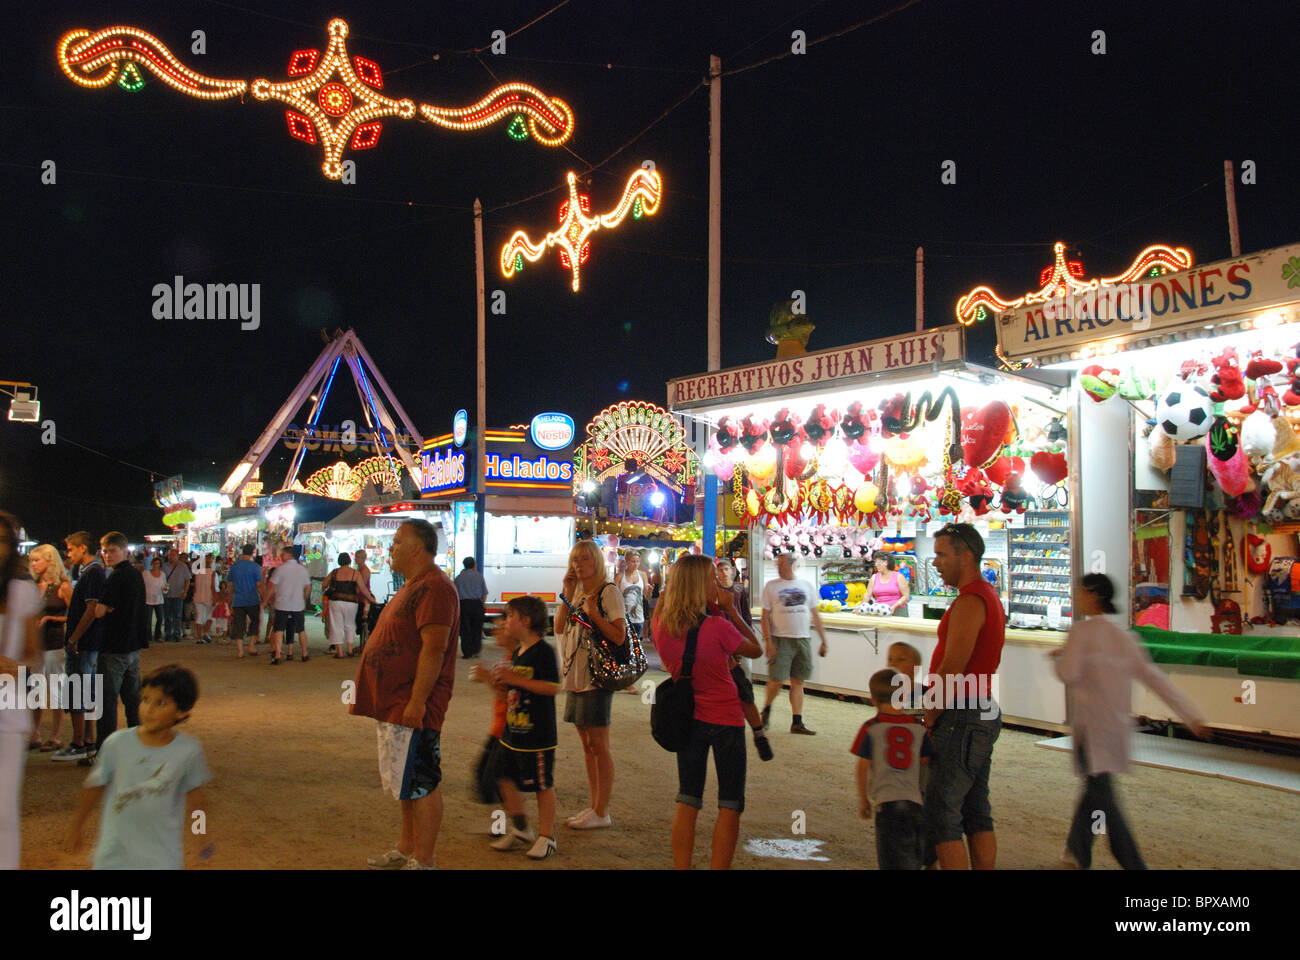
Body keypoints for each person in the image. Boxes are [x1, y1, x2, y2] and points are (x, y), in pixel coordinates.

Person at [1051, 573, 1209, 870]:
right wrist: (1191, 715)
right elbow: (1156, 679)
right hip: (1114, 732)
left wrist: (1060, 657)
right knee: (1097, 792)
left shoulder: (1081, 633)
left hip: (1090, 731)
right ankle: (1076, 852)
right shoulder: (1125, 638)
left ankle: (1127, 861)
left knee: (1104, 798)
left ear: (1093, 595)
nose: (1078, 596)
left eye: (1081, 591)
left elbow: (1068, 674)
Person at [351, 520, 459, 871]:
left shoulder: (436, 588)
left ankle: (424, 859)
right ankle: (406, 846)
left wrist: (417, 701)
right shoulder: (415, 585)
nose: (391, 547)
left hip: (414, 706)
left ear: (417, 548)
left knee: (422, 781)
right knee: (405, 780)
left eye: (398, 542)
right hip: (395, 703)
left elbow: (434, 650)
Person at [654, 554, 763, 869]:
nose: (719, 585)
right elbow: (754, 647)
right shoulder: (717, 626)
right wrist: (731, 610)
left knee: (688, 799)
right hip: (726, 718)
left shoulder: (662, 625)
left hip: (688, 718)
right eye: (713, 580)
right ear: (700, 586)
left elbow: (663, 601)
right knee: (730, 803)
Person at [66, 665, 210, 869]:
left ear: (181, 711)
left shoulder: (188, 751)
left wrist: (201, 837)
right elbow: (94, 787)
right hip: (114, 856)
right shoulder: (117, 743)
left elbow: (198, 803)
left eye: (161, 703)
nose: (149, 710)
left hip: (161, 858)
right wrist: (76, 827)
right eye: (145, 700)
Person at [925, 522, 1004, 871]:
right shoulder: (982, 596)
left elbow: (953, 666)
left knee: (942, 811)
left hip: (962, 713)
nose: (936, 562)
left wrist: (931, 712)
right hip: (978, 707)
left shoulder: (972, 600)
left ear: (966, 555)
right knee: (974, 809)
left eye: (942, 554)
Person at [555, 538, 627, 830]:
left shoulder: (608, 593)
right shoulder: (578, 592)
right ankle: (595, 805)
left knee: (599, 743)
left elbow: (619, 636)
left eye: (584, 559)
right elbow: (559, 627)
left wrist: (595, 615)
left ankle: (602, 809)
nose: (578, 565)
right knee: (586, 743)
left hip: (596, 676)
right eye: (575, 560)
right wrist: (567, 592)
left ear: (596, 561)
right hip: (576, 673)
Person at [483, 595, 560, 860]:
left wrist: (515, 679)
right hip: (512, 732)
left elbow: (552, 687)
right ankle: (521, 828)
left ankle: (547, 836)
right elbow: (511, 694)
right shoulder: (518, 652)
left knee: (541, 784)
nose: (505, 622)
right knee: (502, 776)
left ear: (525, 622)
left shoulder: (544, 652)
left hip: (538, 734)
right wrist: (497, 682)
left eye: (510, 616)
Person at [852, 669, 933, 869]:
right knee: (915, 854)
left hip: (887, 804)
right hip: (915, 802)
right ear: (904, 697)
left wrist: (863, 798)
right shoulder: (917, 726)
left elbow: (863, 765)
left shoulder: (871, 727)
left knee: (891, 859)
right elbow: (925, 760)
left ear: (872, 699)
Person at [0, 511, 42, 869]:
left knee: (3, 811)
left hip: (8, 713)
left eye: (1, 540)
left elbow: (34, 655)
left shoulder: (22, 591)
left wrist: (18, 667)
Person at [92, 531, 149, 759]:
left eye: (112, 550)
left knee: (107, 702)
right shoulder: (136, 576)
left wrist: (106, 608)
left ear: (124, 551)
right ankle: (140, 746)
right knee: (132, 700)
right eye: (105, 551)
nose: (107, 555)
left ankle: (105, 751)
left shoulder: (115, 577)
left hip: (114, 647)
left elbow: (98, 611)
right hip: (132, 647)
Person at [53, 533, 108, 765]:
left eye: (71, 549)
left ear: (83, 548)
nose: (68, 554)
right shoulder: (90, 572)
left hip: (85, 643)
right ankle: (87, 742)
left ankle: (78, 743)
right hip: (87, 643)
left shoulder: (93, 572)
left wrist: (74, 638)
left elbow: (91, 609)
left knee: (79, 692)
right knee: (85, 692)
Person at [760, 553, 828, 735]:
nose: (778, 567)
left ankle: (797, 720)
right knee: (777, 680)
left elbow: (815, 614)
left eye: (781, 564)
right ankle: (766, 709)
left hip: (802, 638)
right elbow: (764, 617)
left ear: (792, 565)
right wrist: (768, 641)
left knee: (798, 680)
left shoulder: (806, 585)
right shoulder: (771, 586)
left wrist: (823, 639)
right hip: (780, 638)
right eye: (777, 564)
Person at [716, 558, 772, 760]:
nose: (723, 573)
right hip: (724, 637)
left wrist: (746, 634)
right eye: (720, 569)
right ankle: (754, 726)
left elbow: (745, 614)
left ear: (732, 571)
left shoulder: (739, 590)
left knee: (743, 678)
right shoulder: (714, 592)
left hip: (737, 634)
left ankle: (753, 721)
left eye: (726, 569)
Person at [28, 544, 73, 751]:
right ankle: (34, 734)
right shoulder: (34, 585)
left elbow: (74, 616)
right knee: (34, 691)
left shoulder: (63, 586)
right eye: (31, 560)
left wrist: (51, 618)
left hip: (55, 644)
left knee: (55, 690)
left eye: (36, 560)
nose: (33, 564)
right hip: (36, 645)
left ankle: (55, 736)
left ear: (49, 560)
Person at [322, 552, 372, 658]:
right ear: (349, 560)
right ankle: (349, 649)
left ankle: (339, 652)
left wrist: (325, 591)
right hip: (351, 602)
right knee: (350, 624)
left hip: (336, 601)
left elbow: (324, 583)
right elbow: (362, 588)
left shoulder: (335, 572)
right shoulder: (355, 573)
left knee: (336, 625)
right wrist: (371, 599)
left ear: (339, 561)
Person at [267, 547, 311, 664]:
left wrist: (265, 600)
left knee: (279, 629)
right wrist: (304, 599)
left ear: (288, 555)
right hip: (298, 604)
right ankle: (304, 653)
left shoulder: (280, 570)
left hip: (282, 603)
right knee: (301, 629)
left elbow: (271, 587)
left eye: (283, 554)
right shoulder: (302, 570)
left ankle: (277, 655)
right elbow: (308, 587)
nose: (281, 556)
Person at [226, 544, 264, 659]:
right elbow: (259, 585)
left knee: (239, 624)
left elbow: (230, 585)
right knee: (254, 622)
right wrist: (263, 598)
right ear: (252, 552)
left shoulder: (234, 566)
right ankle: (251, 646)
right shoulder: (255, 567)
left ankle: (240, 650)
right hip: (252, 599)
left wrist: (229, 598)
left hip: (238, 600)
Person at [454, 557, 488, 659]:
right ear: (474, 565)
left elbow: (455, 594)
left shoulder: (459, 578)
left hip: (463, 605)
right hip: (477, 605)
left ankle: (467, 653)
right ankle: (476, 650)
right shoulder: (479, 577)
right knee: (477, 629)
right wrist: (482, 604)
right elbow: (484, 593)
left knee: (465, 630)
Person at [161, 548, 190, 643]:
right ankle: (168, 633)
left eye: (173, 555)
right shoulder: (164, 566)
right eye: (170, 555)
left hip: (178, 594)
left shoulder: (183, 566)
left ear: (177, 556)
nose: (171, 557)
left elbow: (187, 580)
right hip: (167, 594)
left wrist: (185, 591)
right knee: (167, 615)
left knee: (177, 615)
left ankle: (177, 633)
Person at [190, 554, 216, 644]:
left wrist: (194, 594)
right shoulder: (212, 573)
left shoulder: (198, 572)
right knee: (210, 615)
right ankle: (206, 633)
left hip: (198, 596)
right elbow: (212, 586)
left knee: (199, 617)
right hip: (208, 596)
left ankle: (198, 637)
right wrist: (215, 596)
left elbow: (195, 586)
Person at [144, 557, 167, 643]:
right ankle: (148, 637)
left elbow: (165, 585)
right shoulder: (146, 573)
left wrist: (165, 589)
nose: (156, 565)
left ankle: (158, 636)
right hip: (148, 600)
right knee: (148, 620)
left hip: (159, 599)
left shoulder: (163, 574)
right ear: (152, 564)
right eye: (155, 563)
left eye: (158, 563)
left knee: (160, 618)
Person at [354, 548, 373, 645]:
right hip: (359, 597)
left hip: (363, 597)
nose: (355, 559)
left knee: (362, 620)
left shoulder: (365, 570)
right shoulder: (359, 569)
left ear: (363, 559)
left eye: (357, 557)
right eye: (355, 557)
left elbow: (362, 586)